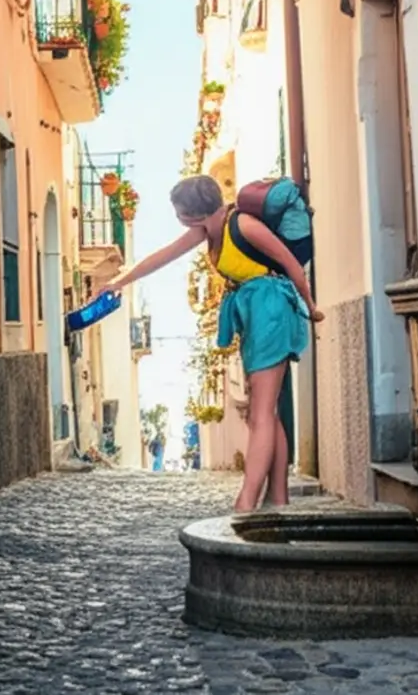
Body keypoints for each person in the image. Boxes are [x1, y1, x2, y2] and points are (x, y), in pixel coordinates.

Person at [99, 175, 324, 514]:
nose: (179, 220)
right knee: (266, 410)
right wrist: (118, 282)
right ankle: (277, 497)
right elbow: (162, 257)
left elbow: (291, 266)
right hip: (255, 314)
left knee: (260, 413)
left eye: (179, 214)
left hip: (272, 310)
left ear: (190, 215)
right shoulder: (209, 230)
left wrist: (311, 307)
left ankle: (245, 503)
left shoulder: (243, 225)